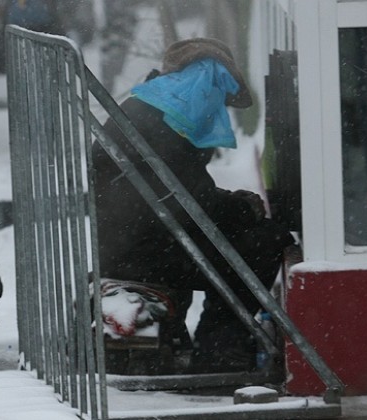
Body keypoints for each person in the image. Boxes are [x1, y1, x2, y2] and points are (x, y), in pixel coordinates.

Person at [92, 38, 294, 373]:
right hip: (142, 250)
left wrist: (232, 204)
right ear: (204, 81)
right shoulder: (166, 118)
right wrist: (243, 210)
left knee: (246, 235)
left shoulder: (153, 105)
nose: (220, 108)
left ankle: (208, 344)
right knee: (265, 241)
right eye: (219, 93)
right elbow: (187, 203)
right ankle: (220, 350)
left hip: (131, 241)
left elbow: (181, 190)